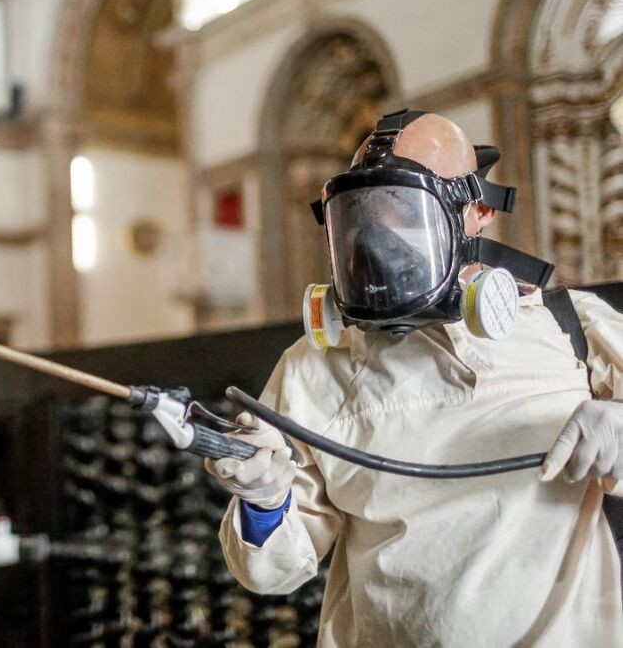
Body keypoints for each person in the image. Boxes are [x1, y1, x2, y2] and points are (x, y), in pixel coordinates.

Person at [207, 110, 623, 646]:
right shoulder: (316, 369)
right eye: (362, 212)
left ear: (477, 212)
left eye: (402, 208)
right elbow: (271, 571)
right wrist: (265, 504)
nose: (378, 235)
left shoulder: (577, 327)